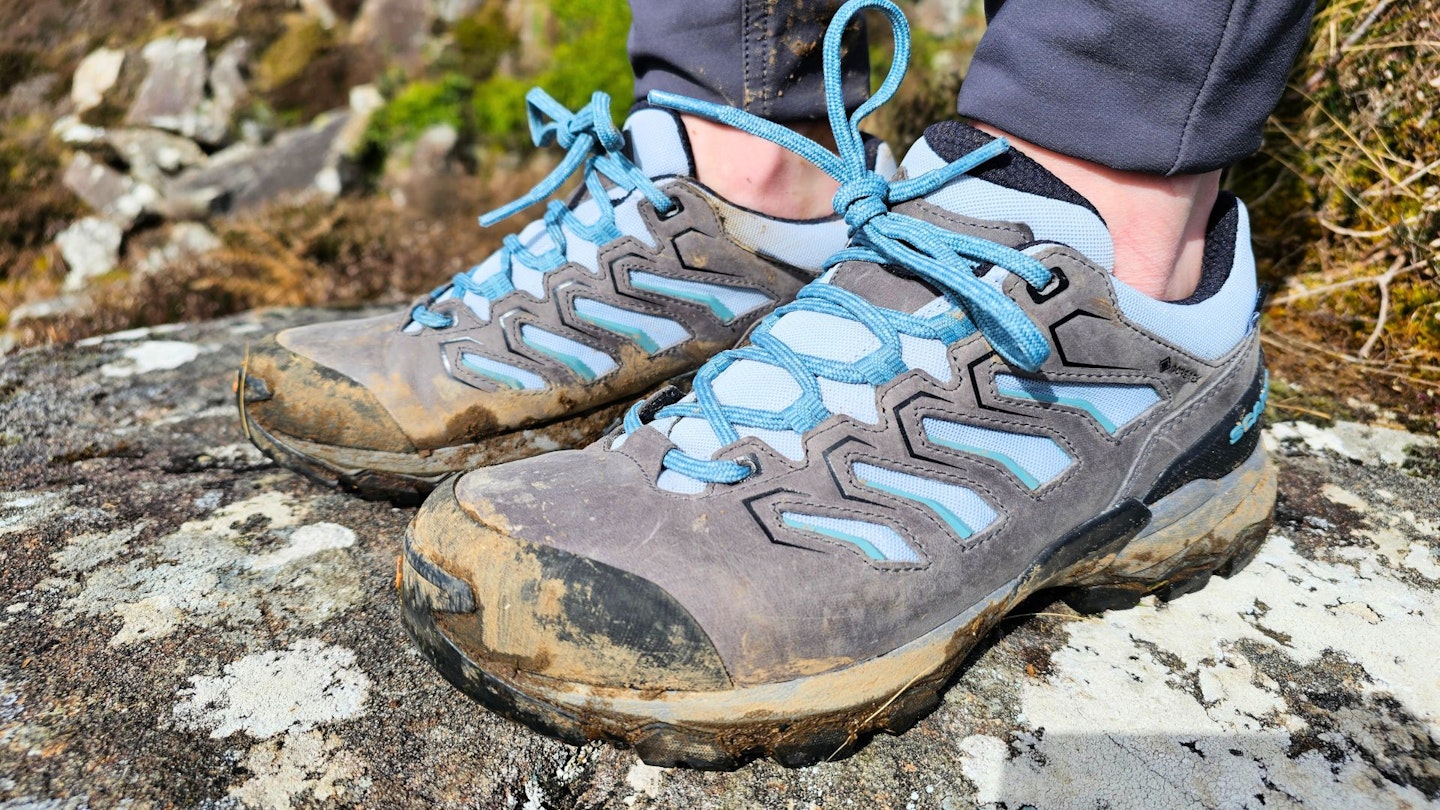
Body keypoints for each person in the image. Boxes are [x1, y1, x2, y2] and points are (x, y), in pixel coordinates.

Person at [245, 0, 1314, 768]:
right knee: (739, 90)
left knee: (1101, 125)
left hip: (1113, 294)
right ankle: (743, 148)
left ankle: (1108, 212)